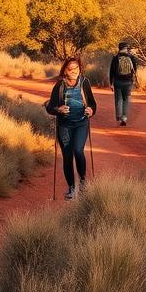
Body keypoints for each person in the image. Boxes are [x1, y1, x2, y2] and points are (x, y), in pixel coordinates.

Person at [45, 55, 97, 199]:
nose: (74, 71)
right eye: (71, 68)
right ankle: (72, 188)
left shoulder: (85, 82)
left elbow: (93, 103)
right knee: (67, 156)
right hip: (64, 125)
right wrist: (58, 109)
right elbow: (50, 107)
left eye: (77, 68)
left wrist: (91, 110)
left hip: (81, 123)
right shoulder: (60, 85)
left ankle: (83, 182)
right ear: (65, 71)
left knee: (78, 150)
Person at [109, 41, 139, 126]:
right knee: (126, 100)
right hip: (128, 82)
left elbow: (112, 72)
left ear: (119, 48)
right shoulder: (131, 57)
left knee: (118, 99)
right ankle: (124, 118)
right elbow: (135, 70)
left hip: (117, 82)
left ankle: (119, 116)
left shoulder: (115, 58)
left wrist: (111, 83)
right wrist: (132, 79)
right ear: (126, 48)